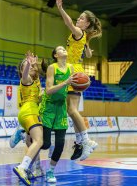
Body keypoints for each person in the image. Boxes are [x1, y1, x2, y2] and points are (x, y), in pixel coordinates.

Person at [56, 0, 102, 161]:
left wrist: (61, 9)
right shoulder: (84, 37)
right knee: (71, 110)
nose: (78, 20)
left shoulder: (78, 32)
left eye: (82, 19)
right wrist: (88, 51)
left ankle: (86, 140)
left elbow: (68, 22)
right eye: (79, 18)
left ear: (87, 23)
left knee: (72, 110)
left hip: (73, 72)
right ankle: (80, 142)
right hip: (73, 70)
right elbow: (88, 53)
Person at [40, 46, 75, 183]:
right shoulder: (52, 68)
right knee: (46, 144)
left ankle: (50, 171)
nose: (63, 49)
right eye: (60, 49)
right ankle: (24, 132)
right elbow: (48, 90)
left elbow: (75, 85)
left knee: (60, 144)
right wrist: (65, 82)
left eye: (64, 48)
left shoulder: (71, 68)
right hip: (49, 106)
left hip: (61, 108)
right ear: (55, 55)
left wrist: (84, 84)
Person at [12, 52, 44, 186]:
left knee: (31, 142)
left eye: (31, 65)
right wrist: (28, 65)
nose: (31, 67)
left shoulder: (36, 81)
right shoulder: (26, 80)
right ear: (22, 70)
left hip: (27, 113)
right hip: (29, 112)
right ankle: (23, 167)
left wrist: (34, 64)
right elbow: (25, 75)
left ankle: (34, 168)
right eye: (27, 65)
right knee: (39, 141)